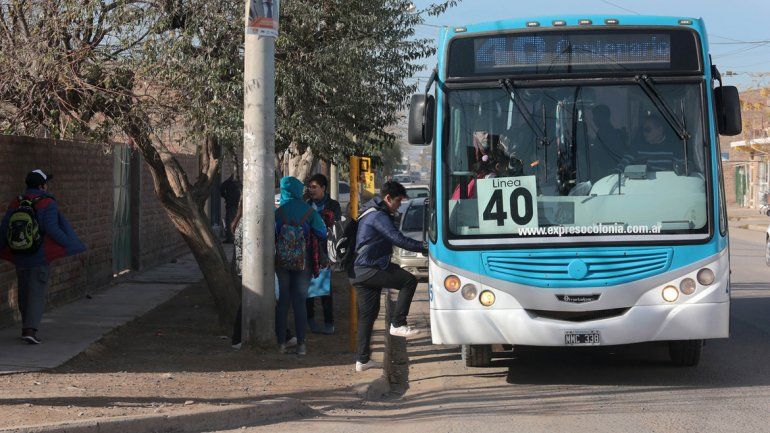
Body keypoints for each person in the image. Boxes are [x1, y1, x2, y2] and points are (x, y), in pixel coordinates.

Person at [0, 169, 85, 344]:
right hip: (39, 256)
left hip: (19, 254)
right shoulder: (47, 203)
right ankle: (30, 330)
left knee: (23, 292)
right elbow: (52, 229)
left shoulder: (16, 202)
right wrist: (69, 243)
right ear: (41, 185)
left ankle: (26, 326)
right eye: (46, 183)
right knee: (36, 292)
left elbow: (4, 228)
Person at [350, 181, 428, 372]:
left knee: (368, 315)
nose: (400, 205)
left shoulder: (371, 211)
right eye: (398, 201)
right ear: (388, 198)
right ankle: (398, 324)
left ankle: (362, 360)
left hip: (360, 270)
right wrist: (425, 247)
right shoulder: (378, 215)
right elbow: (397, 238)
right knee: (409, 280)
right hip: (370, 267)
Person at [229, 198, 297, 351]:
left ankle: (283, 335)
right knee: (259, 301)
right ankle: (282, 335)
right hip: (252, 269)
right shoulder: (249, 222)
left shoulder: (243, 221)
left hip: (250, 268)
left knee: (258, 301)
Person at [275, 176, 326, 356]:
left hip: (281, 261)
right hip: (303, 261)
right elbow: (322, 232)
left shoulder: (278, 212)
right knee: (300, 302)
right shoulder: (309, 211)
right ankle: (302, 345)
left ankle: (281, 344)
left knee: (283, 301)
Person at [305, 173, 341, 335]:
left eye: (314, 187)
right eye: (309, 187)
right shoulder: (306, 204)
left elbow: (336, 225)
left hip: (325, 253)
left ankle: (329, 323)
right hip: (308, 252)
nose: (311, 190)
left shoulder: (333, 205)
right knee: (308, 290)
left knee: (325, 289)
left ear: (323, 188)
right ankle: (310, 321)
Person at [220, 174, 241, 243]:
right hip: (234, 205)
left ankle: (231, 238)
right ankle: (231, 238)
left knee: (231, 221)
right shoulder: (236, 183)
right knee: (232, 221)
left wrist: (226, 197)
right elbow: (221, 190)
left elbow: (221, 190)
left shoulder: (232, 182)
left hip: (234, 205)